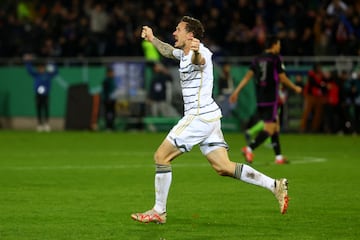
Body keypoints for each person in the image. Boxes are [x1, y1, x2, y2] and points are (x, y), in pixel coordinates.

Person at [131, 16, 289, 224]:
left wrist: (196, 51)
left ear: (190, 35)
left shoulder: (200, 52)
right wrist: (152, 38)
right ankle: (274, 185)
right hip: (210, 117)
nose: (174, 33)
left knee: (161, 156)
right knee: (223, 167)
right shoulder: (184, 52)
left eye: (178, 29)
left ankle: (159, 211)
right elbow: (169, 51)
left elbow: (200, 61)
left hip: (199, 117)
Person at [229, 36, 302, 164]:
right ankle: (249, 148)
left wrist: (236, 91)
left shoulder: (257, 59)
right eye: (278, 44)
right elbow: (283, 78)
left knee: (275, 126)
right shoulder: (275, 59)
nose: (279, 47)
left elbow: (247, 77)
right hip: (271, 98)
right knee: (269, 128)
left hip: (261, 98)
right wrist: (295, 87)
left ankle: (278, 157)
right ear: (273, 45)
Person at [24, 54, 58, 132]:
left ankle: (46, 124)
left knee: (46, 109)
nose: (41, 69)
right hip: (38, 94)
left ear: (44, 68)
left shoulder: (48, 75)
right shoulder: (36, 75)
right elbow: (29, 70)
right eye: (39, 68)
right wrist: (28, 61)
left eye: (42, 68)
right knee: (38, 109)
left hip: (46, 94)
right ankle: (39, 124)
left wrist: (52, 62)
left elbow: (55, 71)